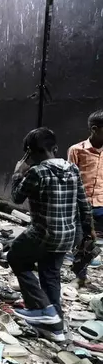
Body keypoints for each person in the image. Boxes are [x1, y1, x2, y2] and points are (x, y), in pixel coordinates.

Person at [9, 127, 92, 342]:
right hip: (67, 235)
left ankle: (43, 310)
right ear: (55, 148)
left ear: (29, 152)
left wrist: (18, 173)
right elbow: (83, 204)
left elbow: (17, 198)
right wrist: (87, 235)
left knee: (15, 258)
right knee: (50, 275)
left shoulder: (37, 172)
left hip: (42, 233)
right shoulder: (73, 169)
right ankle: (57, 328)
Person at [67, 109, 103, 287]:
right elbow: (71, 180)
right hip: (83, 204)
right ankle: (81, 277)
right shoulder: (77, 150)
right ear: (95, 129)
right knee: (84, 243)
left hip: (102, 203)